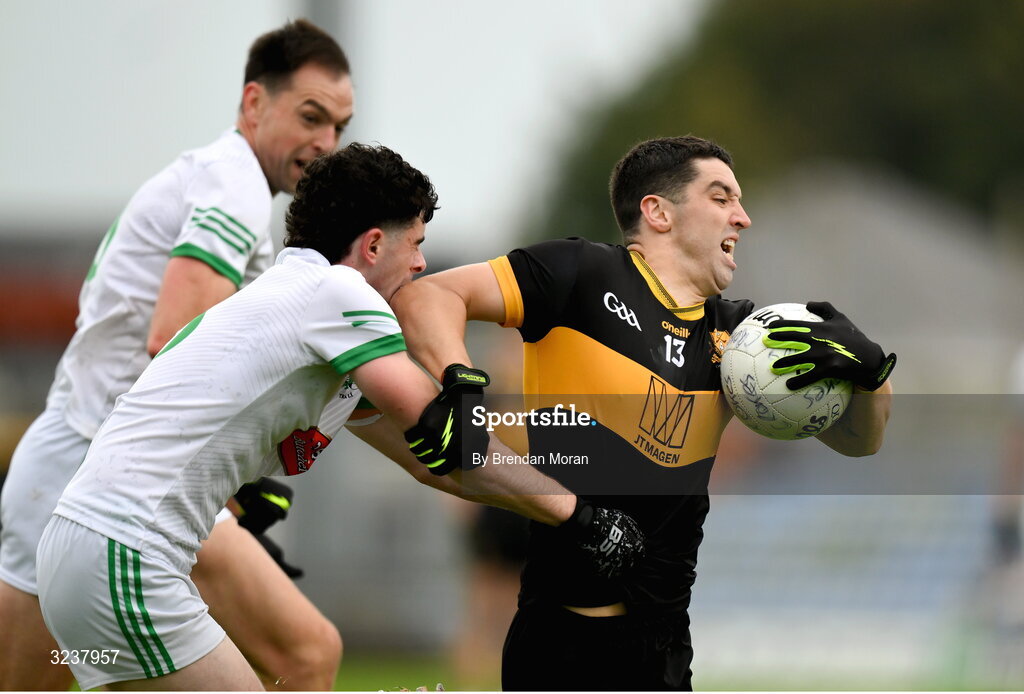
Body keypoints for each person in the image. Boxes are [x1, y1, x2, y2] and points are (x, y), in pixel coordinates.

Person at [34, 143, 643, 691]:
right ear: (374, 245)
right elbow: (448, 435)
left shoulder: (308, 314)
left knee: (310, 655)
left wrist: (575, 517)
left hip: (91, 549)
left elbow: (435, 465)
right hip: (126, 552)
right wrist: (580, 514)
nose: (422, 268)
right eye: (418, 245)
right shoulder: (337, 294)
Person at [391, 135, 896, 690]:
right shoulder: (579, 274)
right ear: (658, 212)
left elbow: (860, 441)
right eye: (721, 197)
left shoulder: (746, 341)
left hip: (662, 652)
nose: (743, 218)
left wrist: (871, 376)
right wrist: (460, 384)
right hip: (561, 647)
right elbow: (427, 297)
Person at [0, 19, 353, 690]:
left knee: (51, 677)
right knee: (306, 654)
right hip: (106, 476)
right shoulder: (236, 184)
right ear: (254, 102)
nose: (326, 143)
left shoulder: (219, 175)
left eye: (338, 125)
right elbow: (177, 335)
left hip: (75, 470)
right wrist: (233, 475)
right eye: (312, 116)